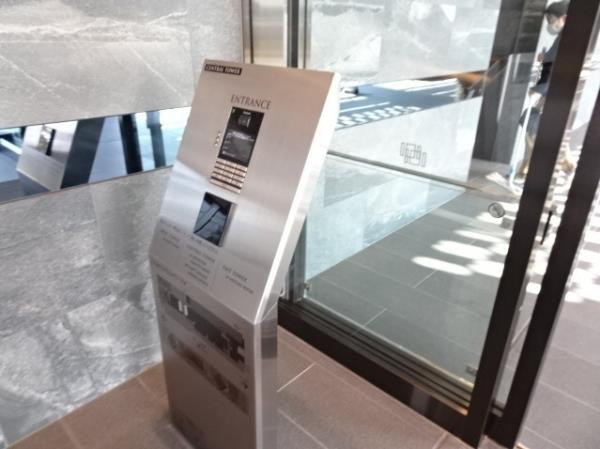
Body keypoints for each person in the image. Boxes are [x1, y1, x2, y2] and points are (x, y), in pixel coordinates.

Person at [518, 1, 572, 178]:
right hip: (553, 90)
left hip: (553, 91)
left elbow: (559, 68)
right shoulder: (566, 37)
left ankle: (544, 161)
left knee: (531, 120)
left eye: (551, 19)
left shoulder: (567, 39)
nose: (549, 23)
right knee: (535, 121)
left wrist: (540, 90)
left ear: (564, 18)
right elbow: (554, 60)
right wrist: (545, 57)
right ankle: (557, 160)